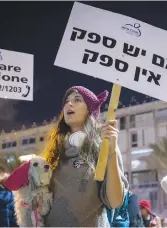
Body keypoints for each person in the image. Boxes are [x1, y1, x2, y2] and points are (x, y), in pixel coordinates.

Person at [43, 86, 129, 227]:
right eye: (66, 101)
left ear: (90, 110)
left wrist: (112, 151)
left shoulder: (104, 145)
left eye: (77, 100)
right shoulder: (54, 151)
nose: (69, 104)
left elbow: (114, 201)